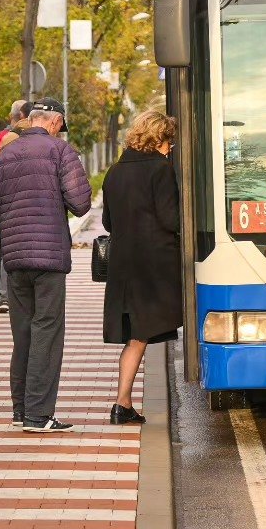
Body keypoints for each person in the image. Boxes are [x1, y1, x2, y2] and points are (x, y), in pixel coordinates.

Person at [0, 96, 91, 433]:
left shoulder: (6, 153)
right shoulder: (60, 152)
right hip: (49, 258)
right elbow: (81, 202)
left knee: (23, 332)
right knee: (47, 330)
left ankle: (20, 410)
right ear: (54, 121)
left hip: (14, 258)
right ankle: (38, 415)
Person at [101, 111, 181, 425]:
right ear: (158, 138)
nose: (170, 147)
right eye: (169, 140)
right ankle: (121, 404)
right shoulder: (161, 169)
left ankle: (123, 403)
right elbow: (170, 219)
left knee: (137, 335)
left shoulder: (115, 171)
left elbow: (108, 221)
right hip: (154, 264)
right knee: (140, 334)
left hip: (123, 263)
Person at [0, 99, 32, 313]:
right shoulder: (33, 141)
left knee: (4, 250)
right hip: (20, 209)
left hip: (4, 207)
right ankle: (4, 294)